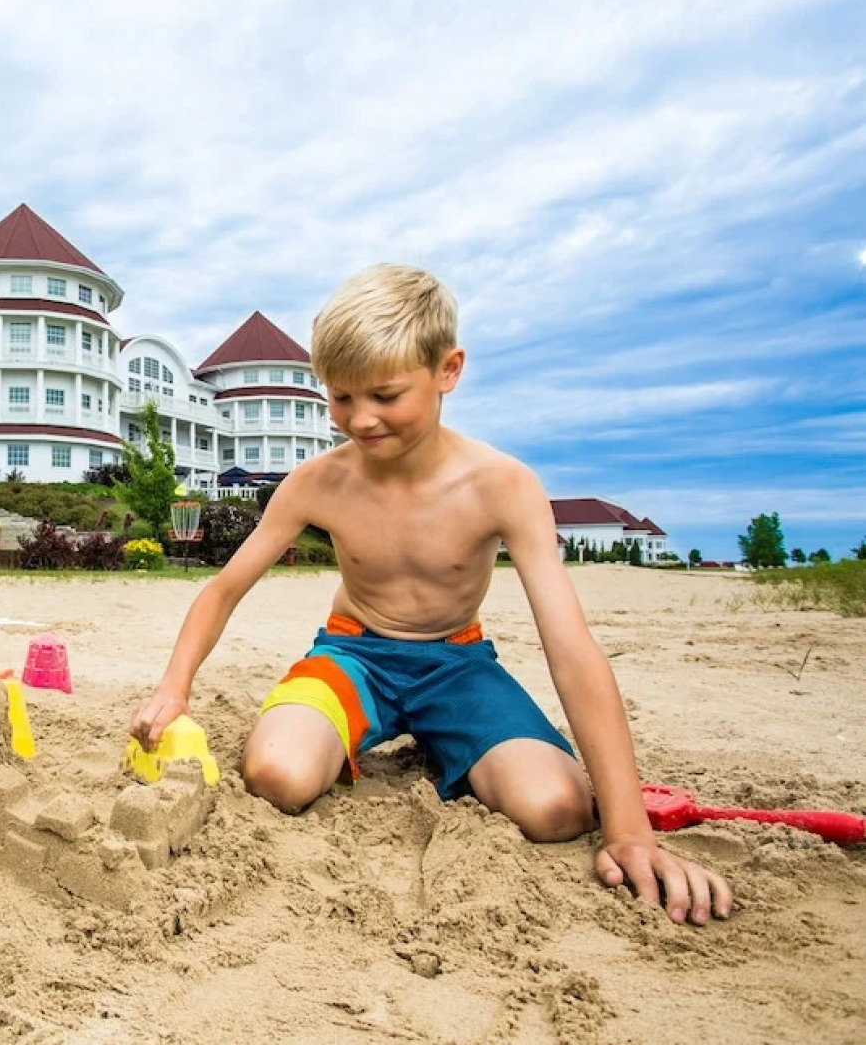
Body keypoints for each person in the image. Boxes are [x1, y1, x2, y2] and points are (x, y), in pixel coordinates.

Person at [128, 265, 732, 927]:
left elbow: (569, 646)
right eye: (341, 397)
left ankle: (449, 740)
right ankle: (400, 732)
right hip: (353, 657)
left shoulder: (502, 485)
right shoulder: (317, 482)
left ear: (448, 370)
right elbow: (223, 590)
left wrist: (629, 830)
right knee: (276, 776)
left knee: (557, 810)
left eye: (385, 395)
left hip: (457, 666)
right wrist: (173, 687)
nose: (360, 419)